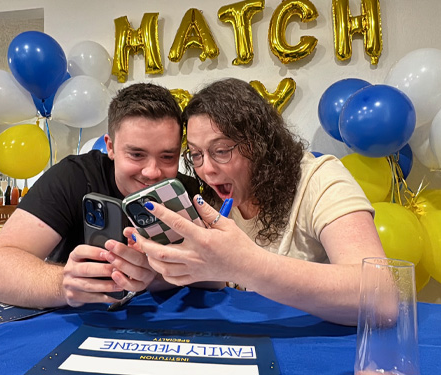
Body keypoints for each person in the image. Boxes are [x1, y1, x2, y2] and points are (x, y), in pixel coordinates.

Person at [127, 78, 386, 326]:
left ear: (259, 144)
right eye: (195, 154)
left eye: (220, 151)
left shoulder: (319, 178)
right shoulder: (206, 197)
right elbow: (211, 282)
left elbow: (380, 297)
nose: (206, 169)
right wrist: (154, 273)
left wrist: (245, 265)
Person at [0, 83, 200, 309]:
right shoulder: (73, 177)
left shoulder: (185, 190)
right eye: (136, 154)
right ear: (110, 147)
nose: (152, 172)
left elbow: (213, 279)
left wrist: (156, 274)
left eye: (167, 157)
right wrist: (63, 284)